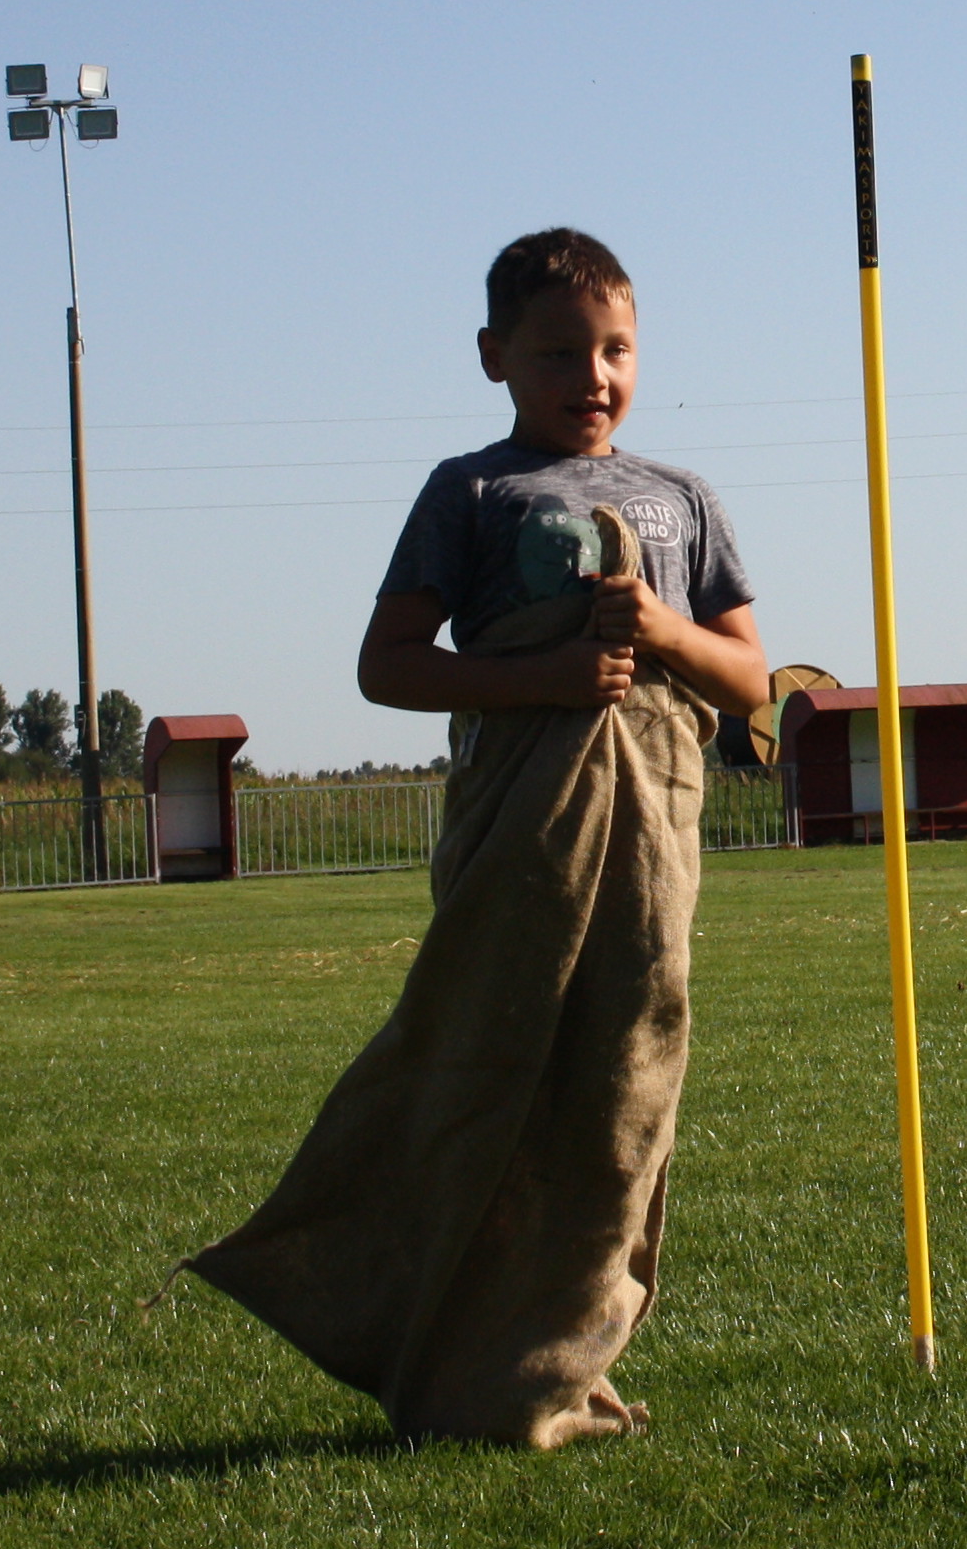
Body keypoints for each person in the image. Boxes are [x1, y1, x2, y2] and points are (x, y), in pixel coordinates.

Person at [189, 228, 770, 1447]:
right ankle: (434, 1348)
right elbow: (388, 666)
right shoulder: (471, 492)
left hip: (653, 845)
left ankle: (555, 1370)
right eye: (559, 352)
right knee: (485, 1067)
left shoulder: (685, 499)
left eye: (616, 351)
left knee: (621, 1090)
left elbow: (750, 683)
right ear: (494, 355)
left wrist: (660, 633)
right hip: (521, 836)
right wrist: (546, 678)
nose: (592, 376)